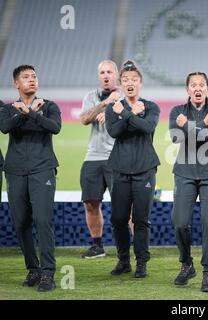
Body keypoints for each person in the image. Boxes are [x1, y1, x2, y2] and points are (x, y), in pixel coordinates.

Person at [0, 65, 61, 292]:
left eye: (34, 76)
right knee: (21, 223)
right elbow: (4, 127)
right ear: (16, 83)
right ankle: (33, 268)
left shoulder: (49, 106)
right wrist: (21, 112)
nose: (31, 80)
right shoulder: (7, 109)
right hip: (15, 170)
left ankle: (48, 273)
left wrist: (32, 113)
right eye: (26, 77)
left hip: (42, 169)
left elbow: (55, 127)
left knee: (43, 220)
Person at [169, 72, 208, 293]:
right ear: (188, 90)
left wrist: (189, 127)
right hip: (184, 172)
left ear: (207, 88)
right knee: (180, 223)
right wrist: (203, 124)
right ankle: (186, 264)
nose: (198, 88)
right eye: (193, 85)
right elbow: (176, 138)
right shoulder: (177, 111)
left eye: (202, 84)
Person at [105, 60, 160, 278]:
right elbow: (114, 132)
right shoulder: (113, 108)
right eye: (125, 80)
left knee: (140, 219)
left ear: (141, 83)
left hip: (145, 168)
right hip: (119, 169)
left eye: (134, 80)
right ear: (120, 83)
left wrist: (127, 114)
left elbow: (147, 127)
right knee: (118, 219)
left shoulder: (151, 106)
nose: (130, 83)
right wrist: (129, 114)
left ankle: (142, 263)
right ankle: (123, 260)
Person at [79, 60, 122, 259]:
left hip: (117, 156)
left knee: (124, 205)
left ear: (117, 75)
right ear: (99, 76)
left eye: (110, 72)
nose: (106, 76)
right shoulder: (91, 97)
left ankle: (132, 248)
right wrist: (104, 104)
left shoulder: (125, 95)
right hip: (93, 156)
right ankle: (97, 246)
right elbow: (84, 119)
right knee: (90, 203)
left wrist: (111, 111)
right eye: (102, 72)